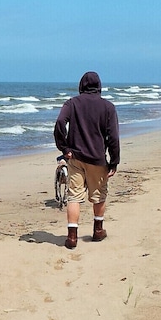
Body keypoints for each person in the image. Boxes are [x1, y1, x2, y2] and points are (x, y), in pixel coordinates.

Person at [53, 71, 120, 249]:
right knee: (99, 195)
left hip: (75, 158)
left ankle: (72, 237)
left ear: (81, 86)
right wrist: (114, 161)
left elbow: (60, 122)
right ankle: (98, 231)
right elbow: (113, 137)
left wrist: (64, 148)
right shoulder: (108, 107)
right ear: (99, 87)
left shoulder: (72, 103)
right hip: (97, 159)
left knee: (74, 196)